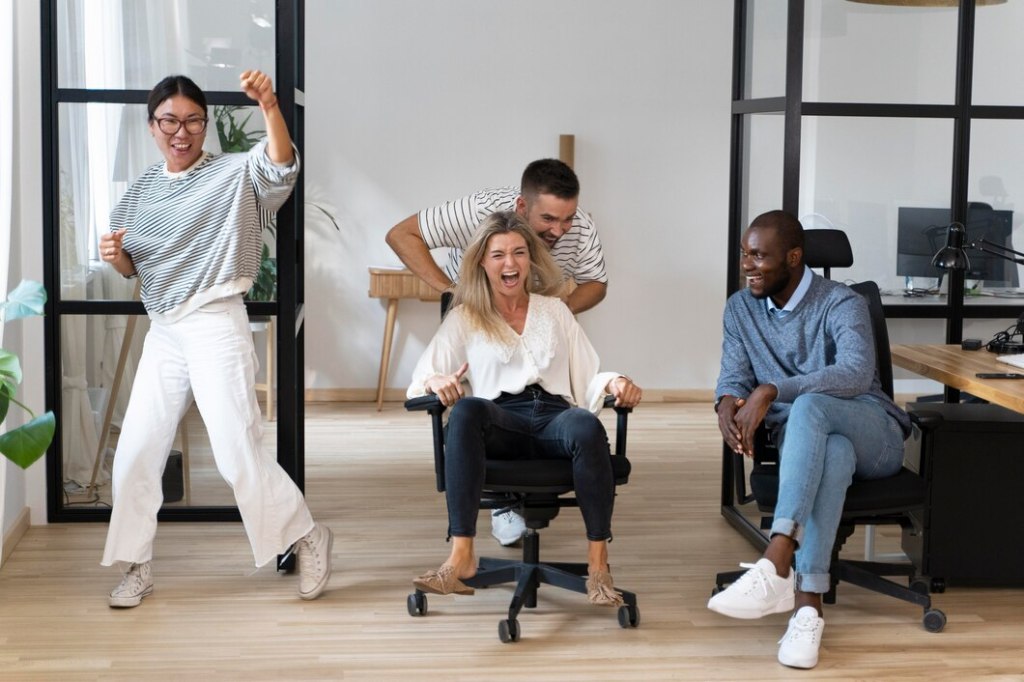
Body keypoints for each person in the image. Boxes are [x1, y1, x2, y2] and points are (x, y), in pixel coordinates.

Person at [98, 71, 332, 608]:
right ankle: (138, 567)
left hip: (215, 321)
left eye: (193, 121)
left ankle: (306, 536)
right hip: (165, 329)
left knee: (234, 450)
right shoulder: (139, 191)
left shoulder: (232, 173)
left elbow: (279, 165)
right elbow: (136, 266)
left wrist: (270, 104)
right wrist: (119, 260)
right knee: (136, 450)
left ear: (205, 125)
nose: (182, 132)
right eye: (170, 121)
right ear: (152, 126)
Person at [707, 210, 912, 669]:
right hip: (822, 444)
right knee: (830, 452)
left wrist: (774, 389)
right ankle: (806, 608)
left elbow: (856, 373)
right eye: (744, 254)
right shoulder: (741, 308)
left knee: (810, 406)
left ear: (794, 258)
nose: (747, 264)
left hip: (874, 435)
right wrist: (725, 402)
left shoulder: (842, 302)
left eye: (758, 255)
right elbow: (734, 374)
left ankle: (777, 556)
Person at [406, 210, 641, 606]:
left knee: (585, 424)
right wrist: (437, 381)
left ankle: (598, 563)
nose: (509, 263)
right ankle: (461, 557)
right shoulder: (466, 316)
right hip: (499, 423)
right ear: (482, 262)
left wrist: (614, 382)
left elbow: (588, 376)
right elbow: (421, 380)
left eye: (518, 252)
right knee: (465, 411)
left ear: (531, 259)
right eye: (498, 255)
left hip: (555, 418)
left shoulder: (555, 311)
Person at [386, 158, 609, 546]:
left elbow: (596, 283)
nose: (560, 230)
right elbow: (400, 234)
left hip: (543, 312)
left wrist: (549, 315)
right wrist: (451, 292)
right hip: (475, 304)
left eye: (567, 219)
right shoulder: (476, 212)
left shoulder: (581, 230)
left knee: (565, 410)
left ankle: (593, 557)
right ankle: (496, 509)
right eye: (549, 220)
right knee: (477, 402)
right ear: (522, 207)